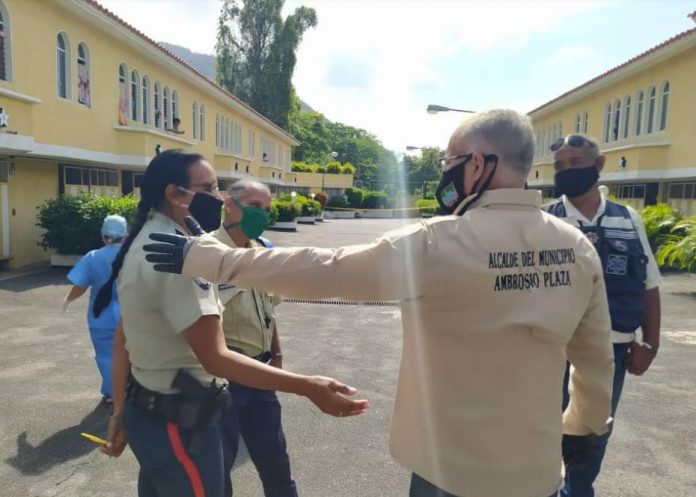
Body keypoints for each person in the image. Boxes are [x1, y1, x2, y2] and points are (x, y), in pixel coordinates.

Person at [143, 110, 615, 497]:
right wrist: (581, 427)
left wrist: (206, 256)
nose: (444, 174)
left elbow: (324, 268)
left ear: (476, 164)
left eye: (448, 163)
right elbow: (595, 362)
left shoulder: (438, 243)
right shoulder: (577, 248)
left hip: (448, 471)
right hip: (535, 473)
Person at [95, 149, 368, 497]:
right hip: (181, 420)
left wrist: (120, 411)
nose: (217, 198)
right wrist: (309, 386)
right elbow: (215, 358)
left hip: (153, 411)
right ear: (175, 194)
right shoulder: (180, 257)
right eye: (208, 188)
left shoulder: (154, 240)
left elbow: (124, 339)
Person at [545, 134, 662, 497]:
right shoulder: (546, 220)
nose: (566, 173)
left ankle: (577, 491)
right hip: (551, 349)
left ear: (599, 166)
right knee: (544, 428)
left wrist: (650, 344)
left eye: (575, 164)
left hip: (611, 351)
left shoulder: (628, 219)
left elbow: (649, 284)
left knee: (592, 431)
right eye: (560, 167)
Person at [215, 179, 298, 496]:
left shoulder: (263, 251)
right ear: (229, 204)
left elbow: (269, 309)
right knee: (219, 471)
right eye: (255, 207)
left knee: (276, 465)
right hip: (223, 380)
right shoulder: (207, 253)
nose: (262, 215)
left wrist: (276, 354)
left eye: (267, 209)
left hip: (262, 374)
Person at [64, 214, 128, 403]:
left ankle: (112, 392)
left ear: (103, 235)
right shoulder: (133, 255)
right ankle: (131, 389)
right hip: (131, 316)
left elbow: (80, 286)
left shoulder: (93, 257)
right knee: (133, 352)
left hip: (101, 318)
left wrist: (68, 300)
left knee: (106, 355)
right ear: (126, 235)